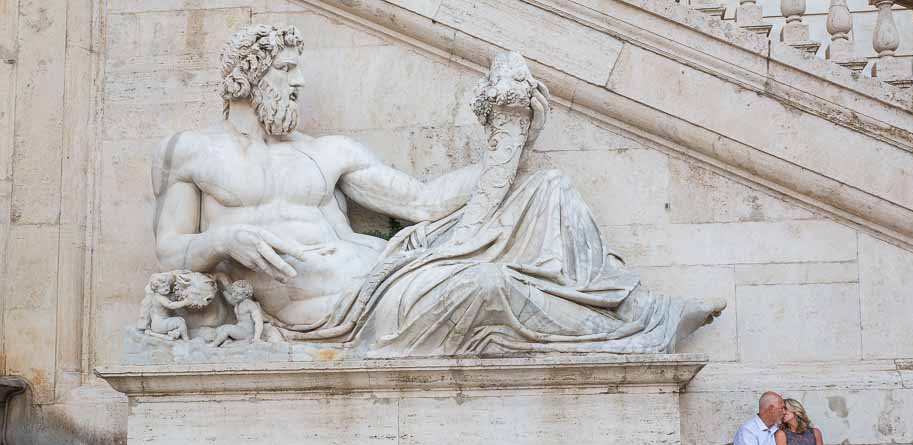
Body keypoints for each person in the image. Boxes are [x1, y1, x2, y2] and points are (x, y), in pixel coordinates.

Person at [149, 24, 724, 358]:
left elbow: (421, 202)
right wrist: (224, 240)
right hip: (332, 312)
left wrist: (508, 144)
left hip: (388, 273)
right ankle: (633, 331)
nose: (299, 81)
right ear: (248, 75)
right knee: (485, 282)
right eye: (287, 69)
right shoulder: (194, 152)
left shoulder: (327, 151)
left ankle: (638, 310)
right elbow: (170, 250)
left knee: (547, 187)